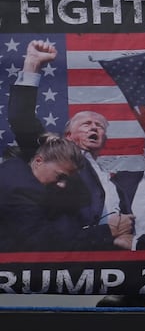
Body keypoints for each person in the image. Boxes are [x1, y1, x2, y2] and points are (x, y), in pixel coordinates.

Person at [8, 40, 125, 234]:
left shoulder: (110, 177)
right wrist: (32, 66)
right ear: (68, 134)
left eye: (99, 126)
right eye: (87, 124)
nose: (94, 128)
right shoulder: (53, 154)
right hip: (70, 250)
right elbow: (21, 118)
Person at [0, 134, 133, 251]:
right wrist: (109, 231)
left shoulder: (19, 170)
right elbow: (42, 244)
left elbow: (58, 230)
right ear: (39, 161)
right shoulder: (22, 188)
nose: (62, 185)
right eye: (59, 176)